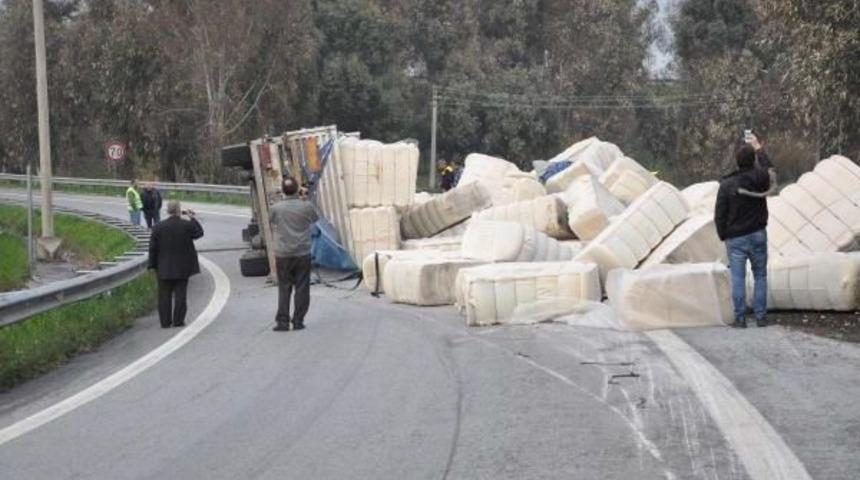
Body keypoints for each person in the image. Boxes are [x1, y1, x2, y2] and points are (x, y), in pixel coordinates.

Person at [714, 138, 775, 329]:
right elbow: (770, 169)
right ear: (753, 160)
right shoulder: (760, 178)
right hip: (758, 234)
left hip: (735, 238)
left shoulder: (727, 184)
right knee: (760, 276)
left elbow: (720, 213)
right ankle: (761, 317)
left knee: (738, 278)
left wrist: (723, 235)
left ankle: (740, 319)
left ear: (737, 161)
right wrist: (759, 149)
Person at [269, 176, 318, 331]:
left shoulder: (276, 208)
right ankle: (298, 320)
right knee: (302, 287)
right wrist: (304, 198)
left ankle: (282, 322)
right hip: (302, 252)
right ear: (298, 189)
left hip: (283, 253)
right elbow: (315, 218)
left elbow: (272, 221)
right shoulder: (307, 206)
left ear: (283, 190)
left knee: (284, 287)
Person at [148, 200, 204, 328]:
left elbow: (152, 248)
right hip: (182, 266)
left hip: (163, 266)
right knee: (180, 294)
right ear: (179, 210)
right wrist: (192, 218)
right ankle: (178, 320)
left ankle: (165, 322)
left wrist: (152, 265)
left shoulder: (158, 227)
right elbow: (199, 233)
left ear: (167, 211)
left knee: (164, 296)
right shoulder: (186, 225)